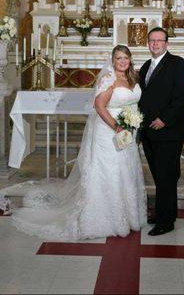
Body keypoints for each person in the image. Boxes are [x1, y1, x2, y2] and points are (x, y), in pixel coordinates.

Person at [1, 45, 146, 240]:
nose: (122, 61)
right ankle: (108, 218)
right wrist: (117, 126)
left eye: (125, 58)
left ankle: (129, 216)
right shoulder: (107, 79)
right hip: (110, 132)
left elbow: (133, 103)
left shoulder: (133, 78)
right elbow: (99, 106)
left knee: (126, 170)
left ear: (130, 60)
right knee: (110, 171)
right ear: (113, 60)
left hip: (128, 133)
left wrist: (132, 122)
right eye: (118, 58)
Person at [139, 27, 184, 236]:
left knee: (167, 176)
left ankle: (165, 222)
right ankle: (165, 212)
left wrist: (164, 120)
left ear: (166, 43)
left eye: (159, 40)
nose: (155, 44)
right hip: (149, 132)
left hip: (169, 132)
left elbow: (183, 96)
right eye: (152, 40)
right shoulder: (145, 66)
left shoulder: (178, 64)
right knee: (160, 176)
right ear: (148, 43)